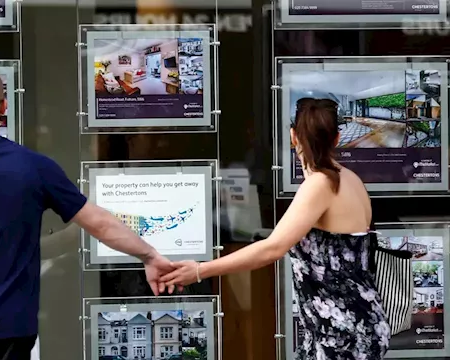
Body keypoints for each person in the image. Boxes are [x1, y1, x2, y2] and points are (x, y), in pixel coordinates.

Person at [0, 65, 175, 360]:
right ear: (5, 105)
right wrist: (149, 255)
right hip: (9, 324)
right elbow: (99, 223)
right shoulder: (35, 166)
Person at [161, 98, 391, 359]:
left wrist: (200, 270)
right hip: (361, 322)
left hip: (340, 335)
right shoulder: (352, 180)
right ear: (337, 138)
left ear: (293, 136)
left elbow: (273, 248)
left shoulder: (320, 185)